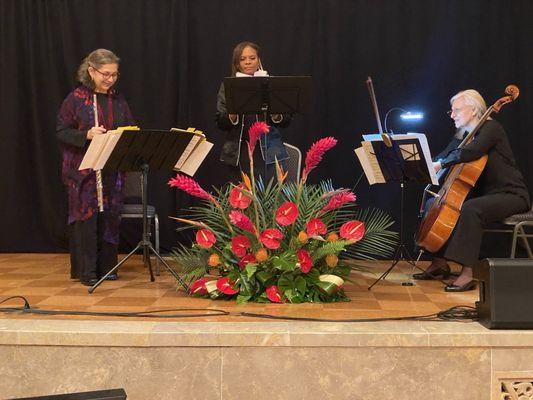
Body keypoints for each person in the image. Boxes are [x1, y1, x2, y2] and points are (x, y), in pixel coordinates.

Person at [414, 89, 530, 292]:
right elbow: (448, 153)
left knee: (470, 209)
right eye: (451, 111)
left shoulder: (491, 129)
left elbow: (472, 152)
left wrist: (441, 165)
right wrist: (427, 164)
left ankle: (468, 273)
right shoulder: (463, 134)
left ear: (475, 110)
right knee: (434, 203)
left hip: (510, 194)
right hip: (486, 196)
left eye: (457, 110)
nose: (452, 114)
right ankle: (439, 263)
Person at [56, 49, 135, 286]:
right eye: (105, 74)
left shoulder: (118, 99)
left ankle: (108, 267)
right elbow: (62, 131)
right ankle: (87, 271)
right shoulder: (76, 98)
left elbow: (130, 127)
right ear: (91, 71)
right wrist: (87, 134)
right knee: (87, 219)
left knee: (110, 217)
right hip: (83, 172)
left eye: (114, 75)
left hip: (112, 168)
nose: (110, 79)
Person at [215, 41, 291, 183]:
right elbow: (220, 122)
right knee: (241, 201)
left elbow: (286, 120)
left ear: (259, 60)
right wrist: (231, 116)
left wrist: (277, 115)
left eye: (252, 58)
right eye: (242, 59)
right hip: (239, 152)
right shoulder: (228, 86)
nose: (248, 62)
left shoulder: (271, 83)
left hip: (269, 151)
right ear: (236, 64)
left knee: (271, 197)